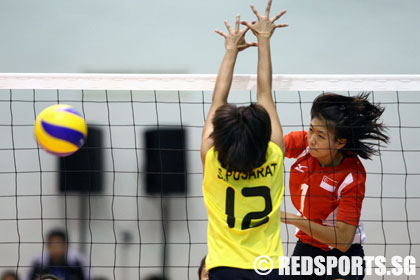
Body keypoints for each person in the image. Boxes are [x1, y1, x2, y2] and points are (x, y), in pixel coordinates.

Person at [201, 1, 288, 279]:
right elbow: (265, 94)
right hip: (268, 267)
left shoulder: (212, 159)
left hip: (224, 267)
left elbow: (218, 100)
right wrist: (264, 39)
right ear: (262, 136)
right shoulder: (274, 156)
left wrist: (230, 52)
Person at [281, 92, 389, 279]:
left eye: (321, 136)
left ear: (340, 142)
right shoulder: (303, 144)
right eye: (311, 129)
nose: (312, 139)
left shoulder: (351, 175)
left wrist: (292, 219)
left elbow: (344, 240)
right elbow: (263, 149)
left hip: (343, 255)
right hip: (308, 247)